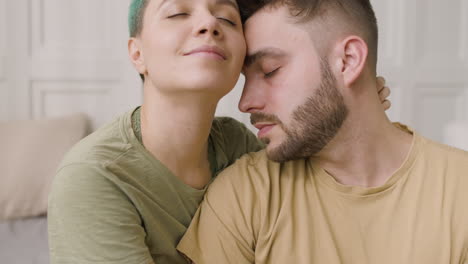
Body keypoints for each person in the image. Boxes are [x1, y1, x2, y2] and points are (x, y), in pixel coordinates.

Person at [47, 0, 390, 263]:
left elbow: (319, 208)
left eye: (226, 18)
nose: (209, 23)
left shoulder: (238, 147)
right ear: (137, 54)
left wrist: (346, 108)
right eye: (178, 12)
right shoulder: (94, 177)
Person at [177, 0, 468, 263]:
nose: (246, 102)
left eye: (269, 70)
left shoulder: (459, 190)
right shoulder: (244, 196)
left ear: (349, 60)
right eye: (246, 78)